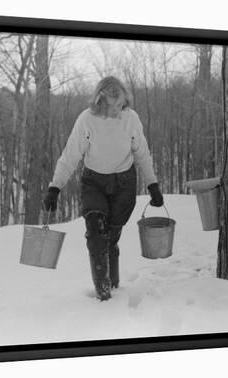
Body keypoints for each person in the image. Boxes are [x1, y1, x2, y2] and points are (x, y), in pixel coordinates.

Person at [43, 76, 164, 301]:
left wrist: (153, 185)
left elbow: (143, 154)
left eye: (123, 103)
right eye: (116, 105)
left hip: (123, 184)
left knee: (111, 237)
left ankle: (114, 283)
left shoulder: (131, 119)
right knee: (97, 234)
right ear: (102, 102)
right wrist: (55, 187)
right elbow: (70, 156)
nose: (122, 108)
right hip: (94, 183)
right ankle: (103, 293)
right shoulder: (86, 120)